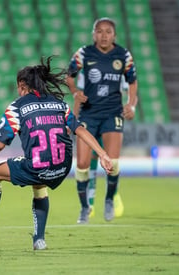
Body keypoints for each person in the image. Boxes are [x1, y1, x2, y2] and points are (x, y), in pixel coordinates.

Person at [0, 55, 113, 250]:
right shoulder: (59, 104)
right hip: (62, 167)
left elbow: (0, 143)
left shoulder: (17, 107)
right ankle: (39, 240)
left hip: (37, 164)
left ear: (22, 84)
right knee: (39, 184)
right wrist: (103, 153)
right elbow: (80, 130)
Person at [66, 17, 138, 224]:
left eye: (108, 31)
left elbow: (133, 82)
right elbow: (69, 76)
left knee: (112, 162)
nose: (104, 35)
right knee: (81, 164)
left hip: (112, 113)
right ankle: (84, 208)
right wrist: (75, 92)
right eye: (99, 31)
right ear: (93, 34)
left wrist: (131, 104)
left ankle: (108, 199)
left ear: (114, 35)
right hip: (88, 113)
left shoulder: (123, 55)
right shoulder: (83, 53)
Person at [74, 71, 126, 219]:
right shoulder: (87, 71)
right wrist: (75, 119)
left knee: (108, 159)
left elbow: (121, 96)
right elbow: (79, 95)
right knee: (87, 161)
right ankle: (89, 205)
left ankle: (113, 195)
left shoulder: (117, 72)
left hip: (108, 119)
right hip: (90, 118)